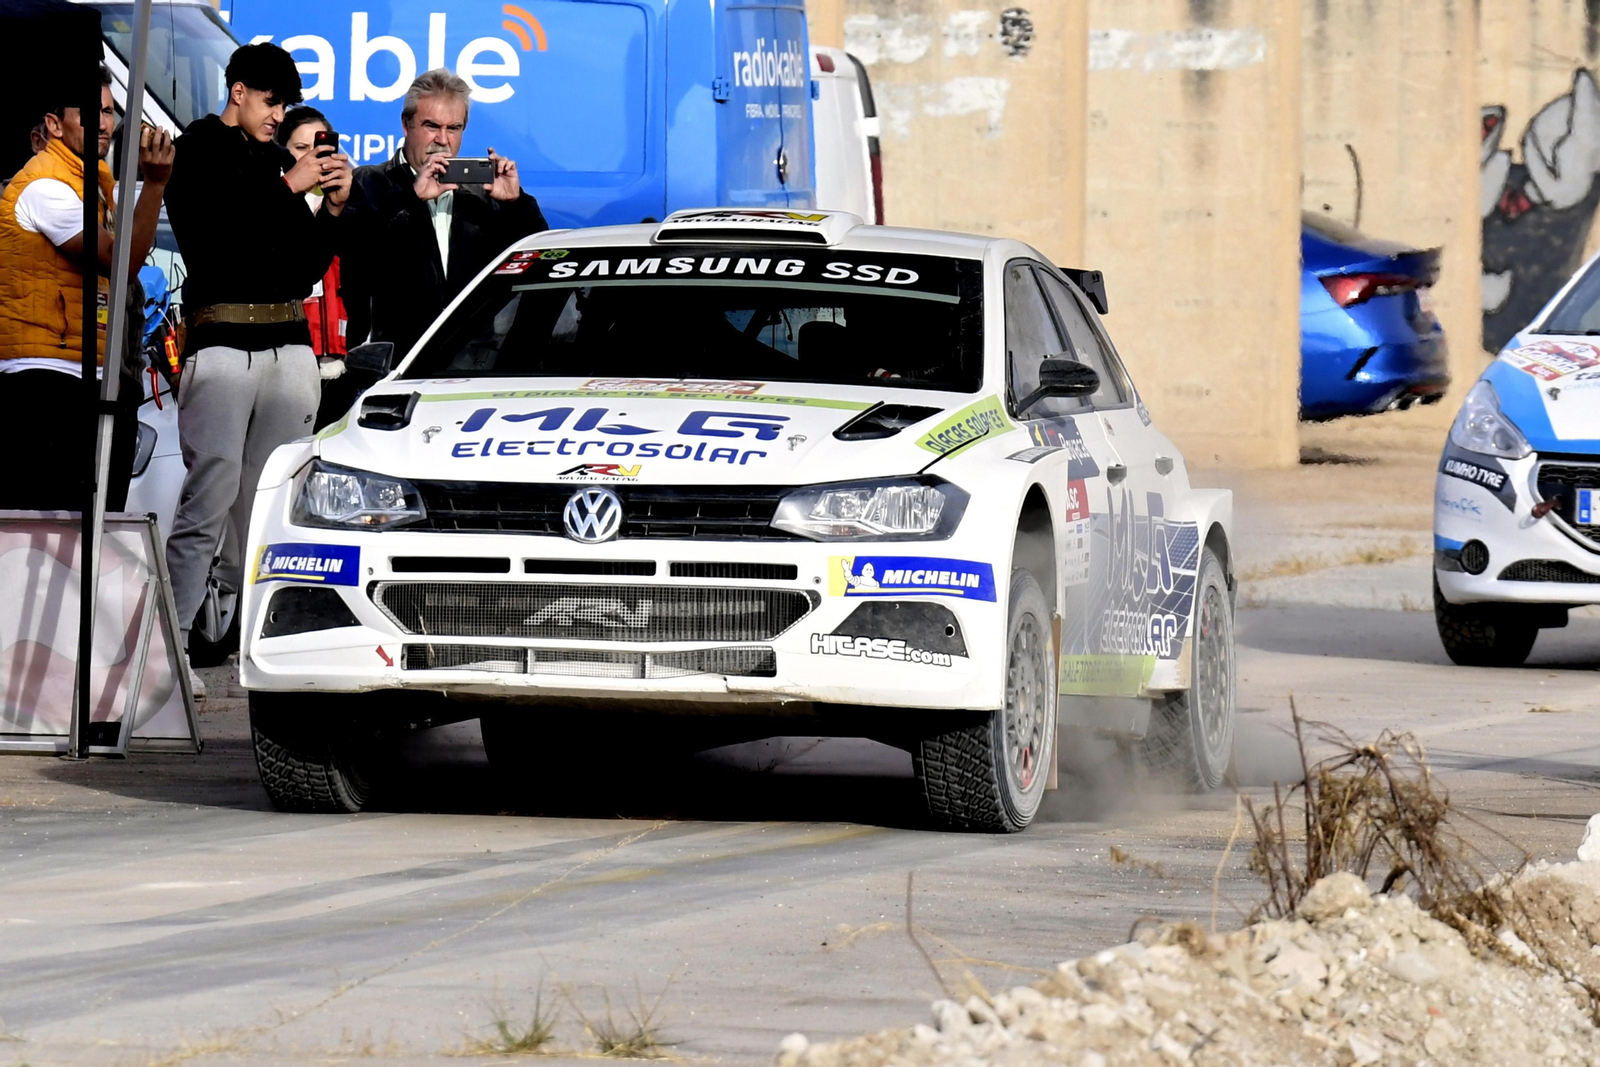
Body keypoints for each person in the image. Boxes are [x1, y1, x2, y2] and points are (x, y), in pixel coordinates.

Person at [161, 42, 353, 683]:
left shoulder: (276, 162)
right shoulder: (198, 147)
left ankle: (258, 645)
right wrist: (286, 188)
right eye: (271, 102)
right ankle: (169, 651)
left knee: (270, 509)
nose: (279, 117)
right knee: (207, 501)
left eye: (285, 106)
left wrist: (329, 207)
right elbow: (217, 245)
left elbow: (300, 268)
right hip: (220, 346)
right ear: (237, 90)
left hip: (288, 346)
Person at [0, 64, 173, 512]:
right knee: (46, 524)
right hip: (45, 377)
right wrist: (154, 184)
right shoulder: (43, 186)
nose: (104, 123)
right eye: (90, 112)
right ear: (54, 125)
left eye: (109, 111)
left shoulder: (97, 184)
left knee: (99, 524)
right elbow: (123, 262)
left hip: (93, 372)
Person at [341, 68, 546, 359]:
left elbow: (538, 262)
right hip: (394, 360)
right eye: (432, 126)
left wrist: (516, 204)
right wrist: (411, 198)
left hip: (471, 361)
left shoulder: (482, 194)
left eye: (454, 128)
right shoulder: (369, 182)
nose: (442, 139)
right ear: (406, 124)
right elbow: (358, 260)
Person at [276, 106, 355, 429]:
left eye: (320, 149)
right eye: (300, 149)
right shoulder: (274, 206)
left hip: (343, 364)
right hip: (287, 360)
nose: (312, 159)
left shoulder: (349, 203)